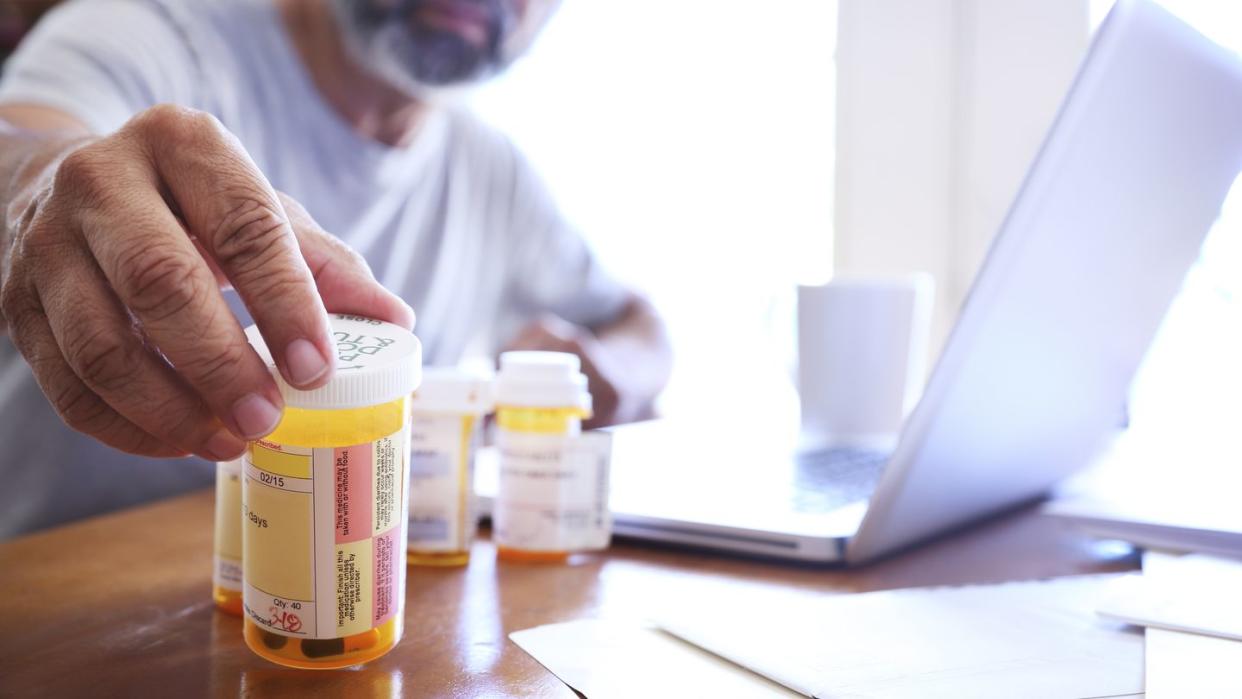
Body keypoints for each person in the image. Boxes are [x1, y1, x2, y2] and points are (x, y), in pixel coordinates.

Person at [0, 0, 672, 538]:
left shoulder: (491, 170)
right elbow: (22, 148)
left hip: (331, 608)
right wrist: (39, 186)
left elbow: (638, 325)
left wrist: (603, 374)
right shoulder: (149, 32)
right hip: (59, 602)